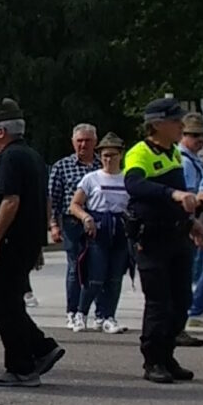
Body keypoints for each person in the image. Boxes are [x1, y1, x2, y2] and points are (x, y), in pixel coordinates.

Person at [124, 97, 203, 383]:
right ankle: (153, 361)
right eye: (176, 121)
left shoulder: (174, 153)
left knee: (181, 300)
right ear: (157, 125)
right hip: (151, 239)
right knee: (159, 302)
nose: (181, 126)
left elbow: (181, 197)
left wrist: (192, 222)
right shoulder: (139, 153)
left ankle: (167, 355)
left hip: (178, 236)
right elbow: (134, 184)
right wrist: (172, 195)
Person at [0, 98, 62, 387]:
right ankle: (40, 348)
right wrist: (38, 243)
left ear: (1, 131)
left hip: (10, 243)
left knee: (0, 299)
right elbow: (42, 202)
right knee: (9, 301)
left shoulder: (11, 158)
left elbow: (11, 201)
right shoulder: (32, 156)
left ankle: (23, 366)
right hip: (24, 242)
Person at [66, 134, 134, 337]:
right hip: (97, 230)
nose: (108, 159)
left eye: (112, 155)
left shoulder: (127, 179)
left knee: (114, 278)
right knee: (95, 276)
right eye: (104, 155)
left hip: (119, 231)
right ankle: (81, 313)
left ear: (120, 155)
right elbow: (74, 205)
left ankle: (108, 316)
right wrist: (86, 218)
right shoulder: (91, 178)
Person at [47, 124, 101, 331]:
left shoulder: (101, 165)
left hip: (98, 222)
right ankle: (72, 311)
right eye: (79, 141)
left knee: (98, 269)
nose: (83, 145)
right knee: (74, 268)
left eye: (87, 141)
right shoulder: (62, 166)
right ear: (73, 142)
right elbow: (54, 198)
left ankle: (98, 313)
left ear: (94, 142)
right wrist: (53, 225)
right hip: (71, 223)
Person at [180, 113, 203, 330]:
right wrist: (192, 224)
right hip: (192, 222)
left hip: (198, 220)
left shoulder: (193, 159)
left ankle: (201, 308)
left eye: (202, 135)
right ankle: (197, 309)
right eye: (194, 135)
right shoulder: (185, 162)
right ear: (183, 135)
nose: (200, 139)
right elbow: (187, 196)